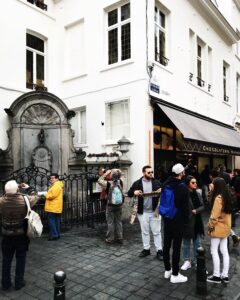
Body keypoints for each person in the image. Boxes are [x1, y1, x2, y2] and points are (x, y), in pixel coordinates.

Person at [0, 180, 38, 290]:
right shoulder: (25, 200)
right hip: (21, 235)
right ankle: (18, 282)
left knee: (6, 260)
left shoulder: (1, 201)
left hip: (6, 235)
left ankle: (5, 284)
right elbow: (35, 196)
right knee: (21, 259)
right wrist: (29, 188)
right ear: (17, 190)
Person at [162, 163, 190, 283]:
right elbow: (184, 206)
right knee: (177, 247)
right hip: (177, 219)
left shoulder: (166, 183)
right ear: (181, 173)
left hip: (167, 218)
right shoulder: (182, 186)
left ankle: (167, 270)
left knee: (166, 245)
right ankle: (175, 274)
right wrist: (186, 220)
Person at [127, 165, 163, 260]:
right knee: (145, 232)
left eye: (152, 172)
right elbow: (129, 193)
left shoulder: (156, 182)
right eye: (149, 172)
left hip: (155, 211)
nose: (151, 174)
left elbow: (165, 191)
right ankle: (146, 249)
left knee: (157, 232)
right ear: (144, 173)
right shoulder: (137, 183)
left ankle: (159, 251)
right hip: (142, 212)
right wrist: (134, 192)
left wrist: (161, 190)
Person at [207, 178, 232, 284]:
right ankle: (225, 276)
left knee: (214, 251)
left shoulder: (218, 198)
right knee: (224, 251)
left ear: (216, 185)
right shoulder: (227, 196)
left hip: (217, 228)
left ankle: (216, 275)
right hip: (226, 228)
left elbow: (214, 216)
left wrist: (210, 226)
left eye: (212, 184)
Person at [181, 176, 204, 271]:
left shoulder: (198, 193)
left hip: (197, 221)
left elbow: (203, 206)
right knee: (186, 243)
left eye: (195, 182)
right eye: (193, 183)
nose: (195, 184)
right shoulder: (184, 194)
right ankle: (187, 261)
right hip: (187, 221)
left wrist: (196, 210)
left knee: (197, 243)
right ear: (188, 184)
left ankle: (197, 261)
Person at [98, 169, 124, 244]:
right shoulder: (121, 182)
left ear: (111, 176)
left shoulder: (108, 184)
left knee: (110, 222)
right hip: (119, 205)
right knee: (119, 221)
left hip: (110, 205)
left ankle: (110, 238)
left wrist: (106, 173)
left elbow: (99, 180)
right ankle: (120, 237)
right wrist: (117, 172)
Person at [44, 173, 64, 241]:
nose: (51, 179)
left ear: (57, 178)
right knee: (56, 221)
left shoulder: (56, 185)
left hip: (53, 206)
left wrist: (45, 195)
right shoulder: (57, 185)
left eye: (53, 178)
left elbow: (52, 195)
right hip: (56, 206)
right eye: (51, 178)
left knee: (51, 221)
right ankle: (57, 234)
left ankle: (54, 235)